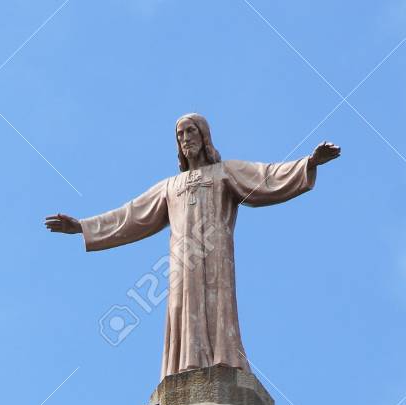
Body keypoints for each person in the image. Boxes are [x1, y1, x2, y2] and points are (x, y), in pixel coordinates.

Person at [46, 114, 340, 380]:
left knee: (218, 305)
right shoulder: (170, 186)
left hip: (216, 255)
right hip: (181, 261)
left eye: (191, 131)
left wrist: (309, 163)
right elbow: (130, 215)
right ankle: (183, 366)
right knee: (181, 306)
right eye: (180, 134)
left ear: (204, 137)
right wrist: (82, 226)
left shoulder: (225, 173)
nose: (186, 138)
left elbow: (266, 175)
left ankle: (225, 360)